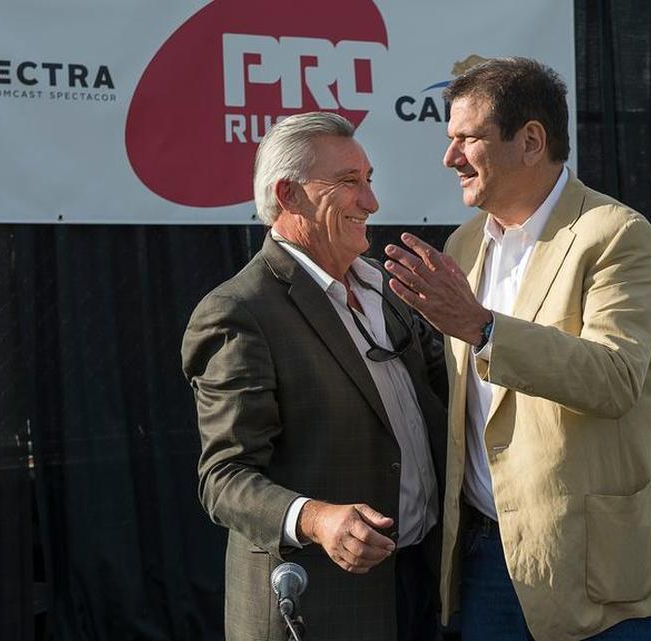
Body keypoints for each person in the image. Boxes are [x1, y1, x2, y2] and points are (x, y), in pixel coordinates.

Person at [383, 57, 651, 641]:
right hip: (487, 557)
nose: (449, 159)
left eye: (466, 140)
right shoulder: (465, 242)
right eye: (449, 140)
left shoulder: (616, 233)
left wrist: (484, 329)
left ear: (530, 141)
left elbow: (615, 379)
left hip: (601, 565)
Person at [181, 112, 447, 641]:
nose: (371, 202)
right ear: (290, 195)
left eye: (369, 180)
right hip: (322, 605)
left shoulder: (387, 292)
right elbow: (224, 480)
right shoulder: (240, 310)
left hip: (420, 587)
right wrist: (318, 519)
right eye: (350, 183)